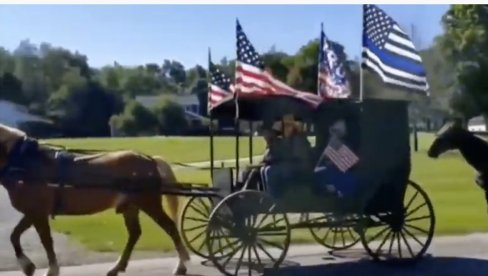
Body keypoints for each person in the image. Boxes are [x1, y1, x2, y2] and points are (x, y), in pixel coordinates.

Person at [261, 114, 313, 197]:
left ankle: (274, 198)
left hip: (300, 167)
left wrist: (281, 159)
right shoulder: (285, 139)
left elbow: (298, 157)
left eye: (289, 125)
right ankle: (267, 194)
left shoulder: (298, 138)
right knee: (264, 170)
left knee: (271, 171)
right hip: (289, 165)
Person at [314, 118, 359, 198]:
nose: (333, 138)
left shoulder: (350, 179)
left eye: (337, 134)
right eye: (332, 132)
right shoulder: (320, 172)